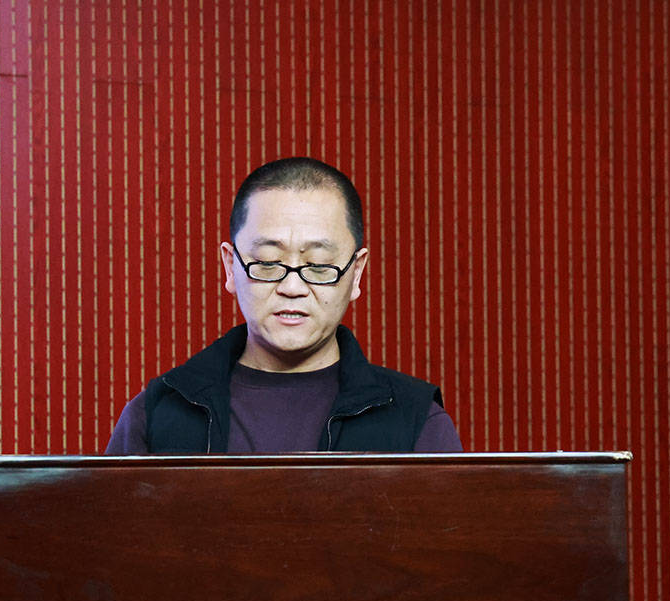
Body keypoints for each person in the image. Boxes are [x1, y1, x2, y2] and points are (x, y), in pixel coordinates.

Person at [106, 157, 462, 454]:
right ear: (231, 267)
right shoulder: (155, 416)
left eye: (319, 266)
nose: (292, 287)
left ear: (356, 274)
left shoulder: (417, 423)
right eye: (267, 263)